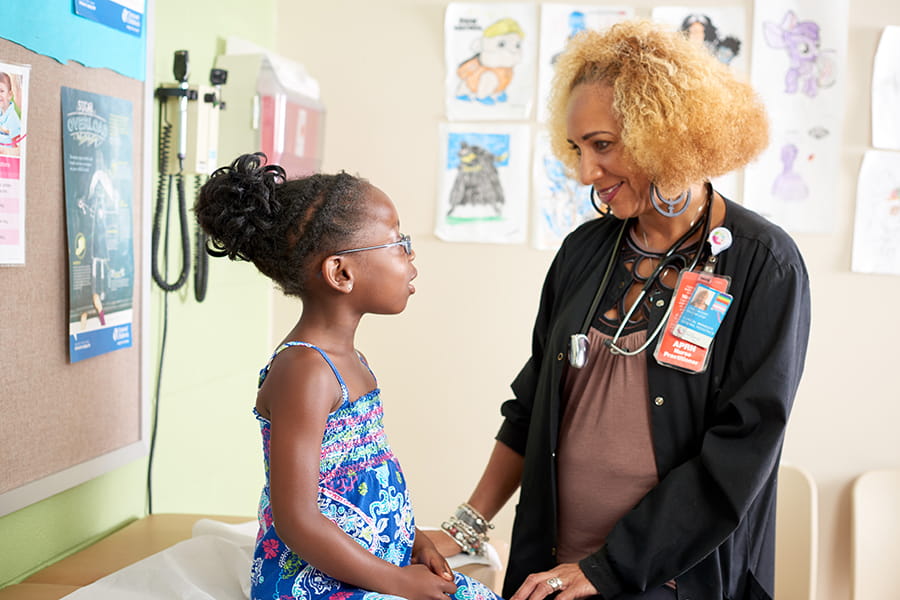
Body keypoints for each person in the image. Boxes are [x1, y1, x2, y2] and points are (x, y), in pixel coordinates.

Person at [426, 20, 811, 600]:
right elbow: (533, 405)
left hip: (674, 579)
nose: (586, 173)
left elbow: (743, 446)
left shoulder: (764, 264)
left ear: (668, 131)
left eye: (603, 146)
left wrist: (609, 569)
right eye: (579, 149)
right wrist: (468, 524)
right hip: (551, 573)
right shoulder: (585, 251)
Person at [195, 153, 504, 600]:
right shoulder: (304, 371)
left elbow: (361, 475)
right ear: (341, 272)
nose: (411, 256)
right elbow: (297, 518)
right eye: (398, 242)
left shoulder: (350, 361)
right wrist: (396, 580)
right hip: (311, 583)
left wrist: (411, 538)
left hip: (371, 562)